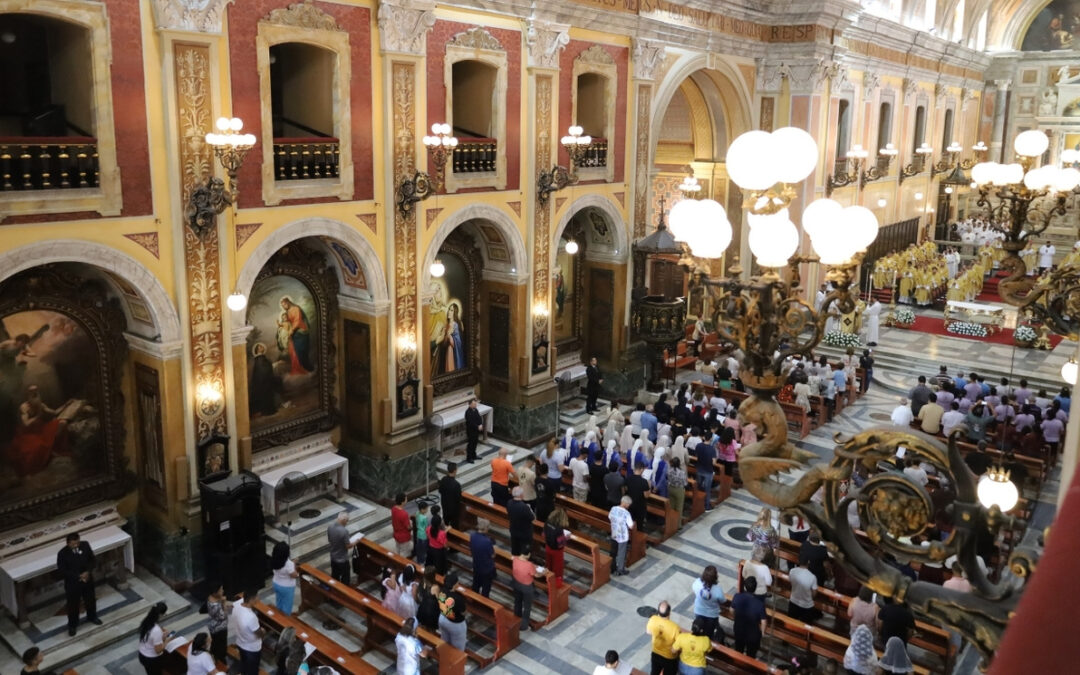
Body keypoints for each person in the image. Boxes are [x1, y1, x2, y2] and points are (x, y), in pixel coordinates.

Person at [56, 532, 100, 637]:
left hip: (87, 579)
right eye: (73, 544)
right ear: (68, 543)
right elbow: (62, 571)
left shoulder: (85, 545)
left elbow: (92, 560)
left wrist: (88, 572)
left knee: (90, 599)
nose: (76, 545)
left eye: (77, 543)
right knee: (73, 605)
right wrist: (78, 576)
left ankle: (92, 616)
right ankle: (72, 625)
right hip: (73, 584)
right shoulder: (62, 553)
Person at [731, 576, 767, 658]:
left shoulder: (737, 596)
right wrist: (763, 632)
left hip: (739, 629)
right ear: (755, 588)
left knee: (738, 650)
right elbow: (763, 621)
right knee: (751, 654)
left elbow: (731, 610)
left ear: (745, 586)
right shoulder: (760, 604)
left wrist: (735, 618)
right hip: (752, 634)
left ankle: (738, 664)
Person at [511, 546, 543, 631]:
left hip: (516, 583)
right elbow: (536, 575)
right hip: (527, 587)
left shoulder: (515, 559)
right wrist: (543, 572)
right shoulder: (529, 565)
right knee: (527, 606)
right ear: (528, 554)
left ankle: (516, 621)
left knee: (517, 602)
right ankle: (524, 626)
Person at [691, 565, 726, 640]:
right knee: (709, 633)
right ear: (715, 577)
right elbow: (723, 600)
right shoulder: (717, 589)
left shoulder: (697, 582)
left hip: (699, 611)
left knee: (699, 629)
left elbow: (694, 589)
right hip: (712, 615)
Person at [646, 600, 680, 675]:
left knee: (654, 672)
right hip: (669, 657)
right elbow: (678, 644)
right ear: (669, 613)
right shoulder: (675, 627)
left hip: (655, 653)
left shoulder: (653, 619)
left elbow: (648, 632)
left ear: (658, 612)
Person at [234, 589, 263, 675]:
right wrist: (263, 631)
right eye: (256, 597)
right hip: (251, 648)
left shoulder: (237, 605)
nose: (258, 598)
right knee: (252, 671)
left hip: (240, 642)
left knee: (244, 664)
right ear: (251, 599)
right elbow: (259, 633)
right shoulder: (251, 617)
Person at [437, 571, 467, 651]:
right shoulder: (457, 598)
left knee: (444, 641)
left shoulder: (441, 590)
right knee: (458, 648)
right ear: (455, 585)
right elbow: (463, 612)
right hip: (455, 624)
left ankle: (444, 657)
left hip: (443, 618)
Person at [205, 584, 231, 664]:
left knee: (215, 643)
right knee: (221, 646)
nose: (222, 591)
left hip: (212, 626)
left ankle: (215, 655)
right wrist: (224, 603)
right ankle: (221, 662)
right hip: (219, 628)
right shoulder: (215, 606)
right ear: (215, 592)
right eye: (220, 590)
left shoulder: (210, 598)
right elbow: (224, 616)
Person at [270, 541, 298, 615]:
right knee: (287, 607)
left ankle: (278, 616)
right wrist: (294, 564)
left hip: (276, 583)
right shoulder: (289, 564)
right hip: (287, 588)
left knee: (279, 602)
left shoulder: (274, 559)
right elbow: (294, 575)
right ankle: (285, 622)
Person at [609, 495, 635, 576]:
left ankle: (612, 568)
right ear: (626, 504)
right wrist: (633, 523)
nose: (628, 506)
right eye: (628, 505)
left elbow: (609, 517)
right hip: (622, 536)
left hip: (614, 533)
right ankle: (620, 569)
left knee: (613, 552)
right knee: (621, 553)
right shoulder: (626, 513)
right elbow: (631, 526)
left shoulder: (613, 508)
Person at [788, 558, 820, 622]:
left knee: (791, 622)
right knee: (805, 626)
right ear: (808, 563)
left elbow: (791, 582)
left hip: (793, 601)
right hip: (806, 605)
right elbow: (814, 593)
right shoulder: (812, 577)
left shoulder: (792, 571)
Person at [470, 518, 496, 597]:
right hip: (486, 568)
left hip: (476, 565)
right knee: (486, 588)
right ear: (485, 528)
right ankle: (483, 603)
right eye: (488, 528)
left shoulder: (472, 536)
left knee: (476, 585)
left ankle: (474, 599)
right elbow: (492, 555)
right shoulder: (487, 541)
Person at [544, 508, 570, 587]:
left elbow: (543, 534)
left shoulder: (547, 523)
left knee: (549, 565)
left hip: (548, 547)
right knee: (557, 569)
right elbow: (561, 544)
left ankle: (548, 581)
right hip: (557, 552)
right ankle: (557, 586)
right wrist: (566, 537)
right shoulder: (559, 529)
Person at [327, 512, 355, 584]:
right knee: (345, 577)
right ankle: (344, 591)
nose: (347, 523)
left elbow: (330, 540)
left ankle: (334, 588)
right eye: (347, 521)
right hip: (342, 559)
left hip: (333, 556)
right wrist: (355, 542)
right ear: (344, 520)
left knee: (335, 575)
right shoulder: (344, 531)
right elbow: (348, 546)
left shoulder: (330, 527)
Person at [507, 486, 535, 555]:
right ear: (521, 495)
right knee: (524, 552)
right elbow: (532, 518)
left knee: (515, 550)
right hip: (524, 533)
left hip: (514, 530)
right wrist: (530, 509)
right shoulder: (524, 507)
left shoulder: (509, 502)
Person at [694, 432, 717, 512]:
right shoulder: (712, 449)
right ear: (711, 439)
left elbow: (696, 456)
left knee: (699, 486)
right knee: (707, 489)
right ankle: (707, 506)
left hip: (699, 469)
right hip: (708, 471)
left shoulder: (698, 445)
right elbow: (713, 462)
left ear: (703, 437)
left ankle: (697, 502)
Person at [626, 461, 650, 529]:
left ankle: (630, 535)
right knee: (639, 524)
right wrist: (649, 485)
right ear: (642, 469)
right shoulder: (644, 482)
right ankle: (638, 536)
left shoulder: (628, 478)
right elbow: (646, 496)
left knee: (630, 522)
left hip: (630, 504)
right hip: (640, 506)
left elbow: (625, 490)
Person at [438, 462, 462, 529]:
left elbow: (440, 491)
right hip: (453, 509)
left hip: (445, 506)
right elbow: (458, 498)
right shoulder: (456, 484)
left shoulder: (443, 479)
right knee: (454, 526)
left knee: (446, 523)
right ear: (454, 470)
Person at [391, 492, 413, 558]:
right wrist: (413, 526)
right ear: (402, 502)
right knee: (404, 553)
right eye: (406, 499)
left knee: (398, 549)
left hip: (396, 534)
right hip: (404, 537)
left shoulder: (393, 508)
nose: (407, 500)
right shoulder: (404, 514)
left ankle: (396, 559)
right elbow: (408, 527)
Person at [667, 457, 687, 521]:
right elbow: (685, 483)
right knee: (679, 508)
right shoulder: (682, 472)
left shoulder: (669, 470)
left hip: (671, 488)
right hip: (679, 490)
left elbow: (667, 478)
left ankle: (671, 522)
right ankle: (678, 525)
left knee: (672, 507)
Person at [413, 501, 430, 566]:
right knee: (423, 550)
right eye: (426, 509)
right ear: (422, 509)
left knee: (419, 548)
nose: (427, 510)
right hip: (424, 535)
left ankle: (418, 559)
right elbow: (426, 527)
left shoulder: (417, 513)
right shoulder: (424, 518)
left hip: (418, 534)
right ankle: (422, 562)